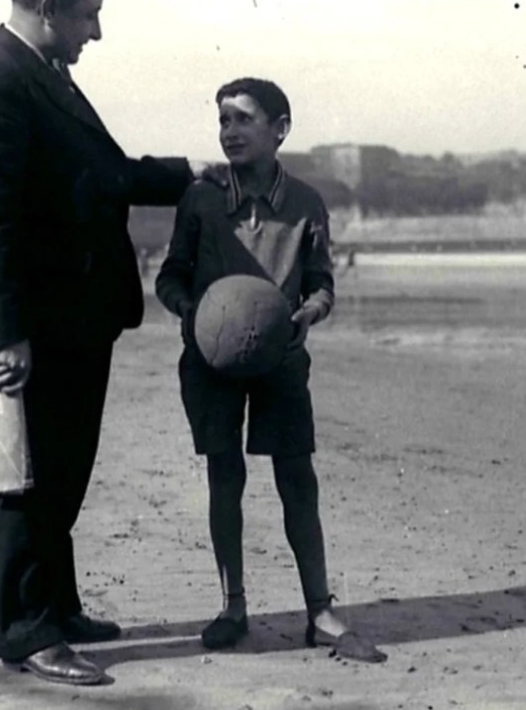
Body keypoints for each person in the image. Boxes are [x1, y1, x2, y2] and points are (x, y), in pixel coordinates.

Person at [0, 0, 222, 686]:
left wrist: (186, 174)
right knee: (25, 481)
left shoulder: (40, 73)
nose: (95, 33)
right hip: (31, 326)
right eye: (88, 18)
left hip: (74, 318)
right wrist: (4, 331)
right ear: (48, 8)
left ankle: (58, 607)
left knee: (62, 473)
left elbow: (102, 174)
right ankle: (26, 631)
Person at [155, 78, 388, 663]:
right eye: (223, 120)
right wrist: (194, 313)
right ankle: (233, 606)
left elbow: (322, 282)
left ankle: (319, 610)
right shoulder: (202, 199)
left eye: (243, 119)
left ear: (280, 129)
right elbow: (169, 276)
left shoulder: (307, 203)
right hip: (210, 362)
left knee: (297, 478)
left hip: (281, 358)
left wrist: (310, 312)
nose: (229, 130)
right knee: (224, 476)